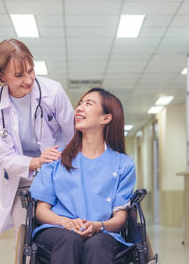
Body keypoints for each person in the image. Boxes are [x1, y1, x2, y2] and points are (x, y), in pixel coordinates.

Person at [0, 38, 74, 245]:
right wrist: (35, 162)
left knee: (61, 235)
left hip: (56, 174)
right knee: (24, 238)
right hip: (21, 180)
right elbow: (4, 157)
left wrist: (60, 163)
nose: (28, 79)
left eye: (31, 70)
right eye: (19, 75)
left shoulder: (53, 91)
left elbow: (74, 136)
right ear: (1, 76)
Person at [29, 88, 136, 264]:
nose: (79, 108)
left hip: (103, 232)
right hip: (57, 229)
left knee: (97, 244)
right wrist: (65, 222)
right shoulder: (57, 158)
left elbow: (120, 218)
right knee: (70, 239)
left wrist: (98, 226)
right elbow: (41, 210)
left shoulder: (123, 164)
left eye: (89, 103)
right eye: (80, 103)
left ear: (106, 118)